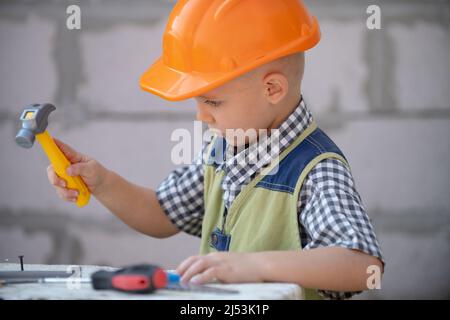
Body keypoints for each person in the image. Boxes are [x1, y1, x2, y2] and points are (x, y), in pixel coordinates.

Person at [47, 0, 384, 299]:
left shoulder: (315, 168)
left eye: (213, 101)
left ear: (272, 88)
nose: (200, 115)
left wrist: (254, 266)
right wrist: (102, 182)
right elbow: (162, 214)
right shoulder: (224, 148)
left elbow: (361, 266)